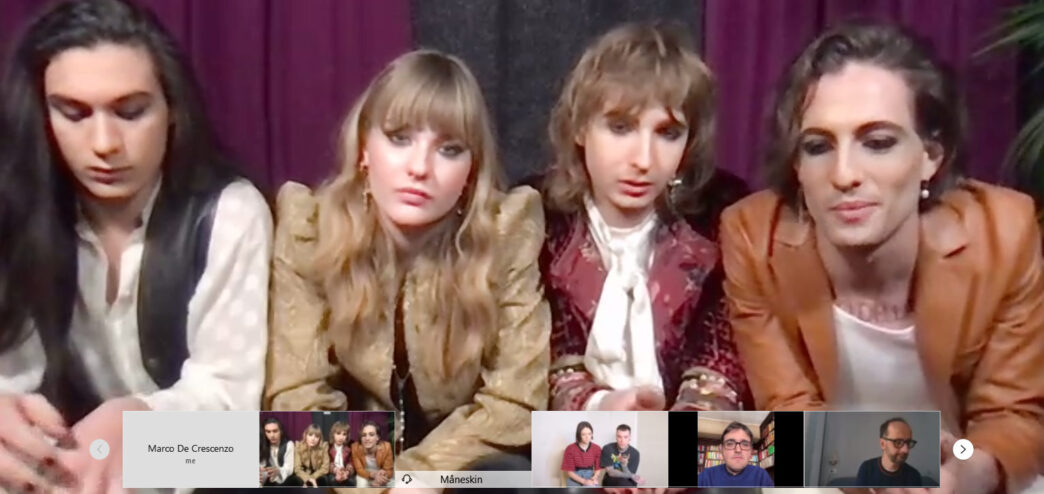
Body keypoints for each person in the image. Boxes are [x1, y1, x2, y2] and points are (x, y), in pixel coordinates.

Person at [721, 22, 1044, 494]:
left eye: (877, 143)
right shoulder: (752, 235)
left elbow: (1010, 417)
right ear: (797, 165)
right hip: (820, 461)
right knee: (665, 449)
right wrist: (882, 465)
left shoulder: (1005, 232)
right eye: (818, 147)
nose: (844, 174)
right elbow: (789, 411)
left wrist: (964, 471)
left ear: (931, 155)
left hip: (956, 454)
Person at [0, 0, 271, 491]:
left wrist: (139, 425)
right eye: (74, 114)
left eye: (130, 112)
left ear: (173, 110)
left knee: (311, 450)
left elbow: (233, 415)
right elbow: (13, 379)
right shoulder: (17, 208)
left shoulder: (228, 211)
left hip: (211, 456)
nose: (105, 143)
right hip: (70, 462)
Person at [264, 48, 550, 471]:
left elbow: (516, 400)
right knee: (227, 457)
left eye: (449, 149)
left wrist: (420, 476)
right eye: (400, 139)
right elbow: (297, 392)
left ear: (471, 171)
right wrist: (371, 478)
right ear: (364, 149)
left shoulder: (507, 231)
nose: (419, 167)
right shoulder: (310, 226)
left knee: (513, 477)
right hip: (345, 456)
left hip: (461, 467)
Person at [540, 21, 750, 412]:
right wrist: (601, 406)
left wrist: (679, 427)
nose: (643, 160)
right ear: (581, 128)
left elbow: (720, 357)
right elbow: (540, 358)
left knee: (797, 445)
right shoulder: (538, 222)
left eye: (668, 133)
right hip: (573, 437)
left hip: (694, 438)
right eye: (620, 127)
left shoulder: (724, 220)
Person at [697, 422, 773, 487]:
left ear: (751, 451)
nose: (738, 450)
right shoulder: (705, 477)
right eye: (730, 444)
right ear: (721, 449)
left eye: (745, 444)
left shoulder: (761, 476)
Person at [855, 417, 923, 487]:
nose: (906, 450)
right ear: (883, 444)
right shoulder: (867, 469)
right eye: (898, 442)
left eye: (908, 442)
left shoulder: (914, 476)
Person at [350, 421, 394, 488]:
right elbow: (359, 470)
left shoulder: (386, 447)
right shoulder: (355, 447)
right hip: (365, 474)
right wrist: (374, 475)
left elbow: (389, 470)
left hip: (381, 474)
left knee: (393, 484)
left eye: (371, 435)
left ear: (377, 437)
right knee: (362, 483)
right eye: (364, 435)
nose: (367, 438)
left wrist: (380, 478)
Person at [561, 421, 601, 487]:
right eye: (583, 434)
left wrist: (595, 477)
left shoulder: (597, 448)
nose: (587, 437)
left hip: (590, 476)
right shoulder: (570, 449)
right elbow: (570, 472)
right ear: (578, 435)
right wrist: (584, 481)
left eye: (589, 434)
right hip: (575, 477)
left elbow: (598, 467)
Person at [260, 417, 297, 486]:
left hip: (285, 479)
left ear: (281, 431)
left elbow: (289, 469)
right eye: (268, 432)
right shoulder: (263, 445)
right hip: (269, 479)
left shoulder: (288, 444)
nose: (272, 435)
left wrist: (278, 471)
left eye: (275, 431)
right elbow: (262, 464)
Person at [326, 420, 355, 486]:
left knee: (351, 482)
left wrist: (347, 472)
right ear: (333, 434)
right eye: (338, 433)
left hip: (346, 472)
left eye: (344, 434)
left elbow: (351, 462)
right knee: (332, 481)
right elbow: (327, 463)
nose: (341, 437)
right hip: (333, 473)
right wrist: (336, 471)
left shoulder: (350, 447)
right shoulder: (328, 447)